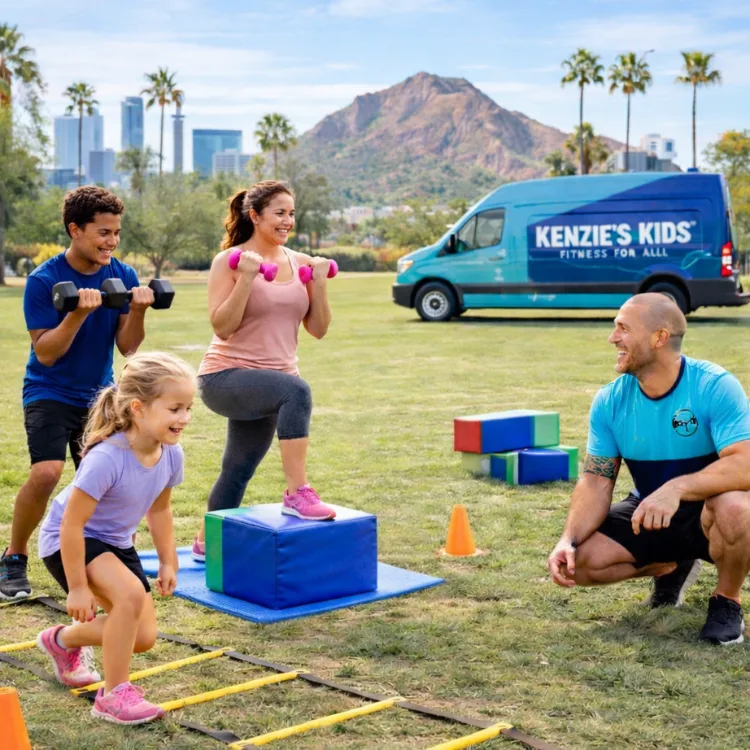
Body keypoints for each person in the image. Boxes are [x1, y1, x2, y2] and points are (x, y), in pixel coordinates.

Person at [547, 293, 750, 645]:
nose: (613, 338)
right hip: (651, 514)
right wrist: (568, 539)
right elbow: (596, 480)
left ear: (660, 338)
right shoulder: (610, 400)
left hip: (711, 514)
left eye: (623, 329)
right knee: (578, 563)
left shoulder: (714, 385)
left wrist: (676, 489)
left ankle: (726, 599)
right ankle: (670, 565)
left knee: (735, 506)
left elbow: (745, 463)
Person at [0, 186, 156, 600]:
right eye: (103, 232)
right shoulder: (44, 280)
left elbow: (129, 347)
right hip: (49, 391)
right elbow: (46, 353)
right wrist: (76, 315)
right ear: (75, 230)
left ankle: (107, 554)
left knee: (106, 479)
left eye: (117, 232)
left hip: (100, 396)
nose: (112, 241)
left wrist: (137, 310)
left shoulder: (123, 275)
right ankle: (14, 557)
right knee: (47, 472)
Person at [35, 352, 194, 725]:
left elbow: (160, 511)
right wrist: (77, 587)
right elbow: (71, 525)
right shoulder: (107, 458)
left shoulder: (171, 455)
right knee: (129, 597)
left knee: (141, 637)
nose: (184, 418)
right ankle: (113, 695)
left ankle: (62, 641)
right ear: (138, 409)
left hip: (115, 543)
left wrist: (169, 560)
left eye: (188, 408)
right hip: (68, 540)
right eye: (174, 409)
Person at [191, 181, 335, 562]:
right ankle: (296, 492)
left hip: (271, 384)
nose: (287, 220)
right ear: (255, 216)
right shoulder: (230, 261)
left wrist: (319, 284)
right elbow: (222, 327)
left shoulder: (300, 262)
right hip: (224, 377)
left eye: (291, 213)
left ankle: (208, 540)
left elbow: (318, 330)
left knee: (238, 468)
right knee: (297, 391)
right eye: (279, 213)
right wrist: (248, 278)